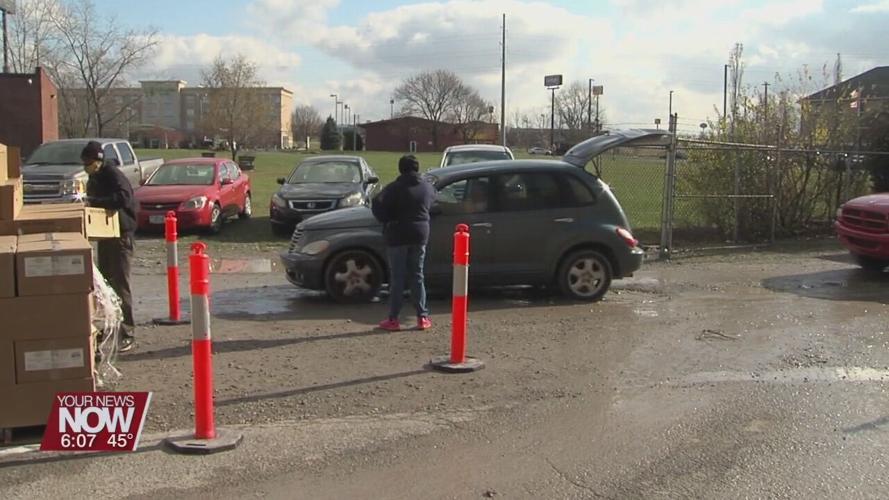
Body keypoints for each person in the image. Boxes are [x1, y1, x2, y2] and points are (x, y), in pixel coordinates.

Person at [81, 141, 138, 352]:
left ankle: (127, 331)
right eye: (85, 163)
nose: (87, 166)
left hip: (121, 235)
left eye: (89, 162)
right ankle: (110, 327)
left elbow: (123, 198)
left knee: (121, 284)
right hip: (106, 236)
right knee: (105, 284)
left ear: (99, 160)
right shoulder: (94, 176)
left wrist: (96, 201)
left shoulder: (112, 174)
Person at [371, 155, 436, 331]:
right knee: (417, 275)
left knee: (398, 278)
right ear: (417, 168)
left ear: (401, 169)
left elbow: (376, 202)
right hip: (420, 234)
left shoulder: (394, 188)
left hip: (398, 234)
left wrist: (386, 219)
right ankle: (422, 317)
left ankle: (393, 319)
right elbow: (432, 202)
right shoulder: (427, 187)